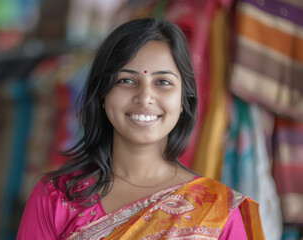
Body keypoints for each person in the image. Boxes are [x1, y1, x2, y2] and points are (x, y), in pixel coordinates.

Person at [16, 18, 265, 240]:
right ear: (103, 94)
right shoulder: (57, 198)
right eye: (127, 80)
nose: (145, 97)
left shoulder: (220, 211)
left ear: (183, 102)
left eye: (163, 82)